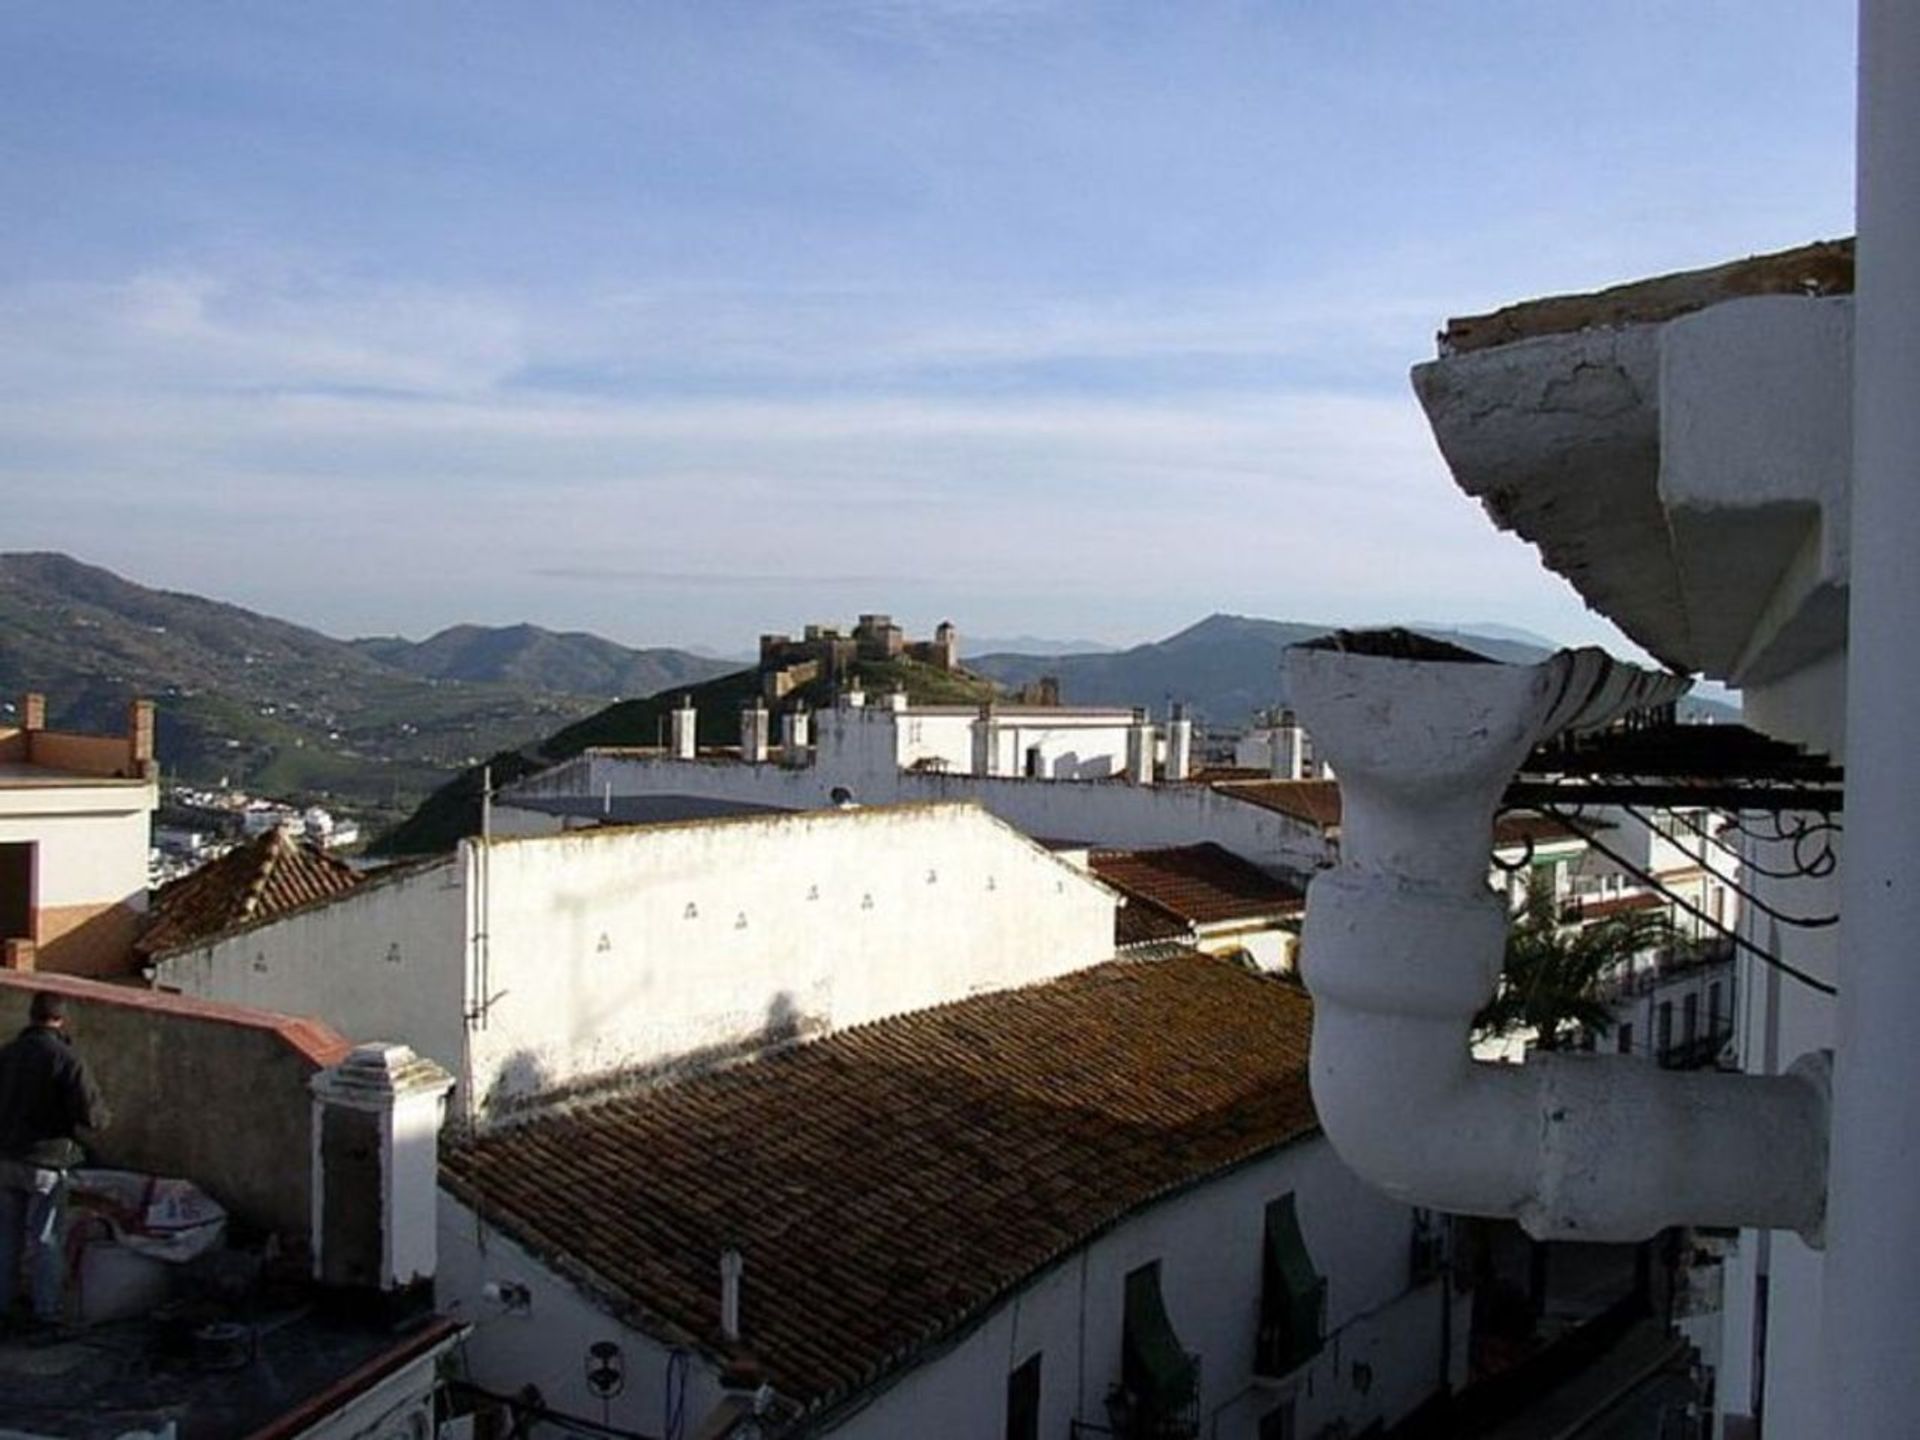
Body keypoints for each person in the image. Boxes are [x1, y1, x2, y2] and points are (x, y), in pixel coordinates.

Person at [0, 991, 107, 1330]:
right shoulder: (66, 1058)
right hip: (46, 1161)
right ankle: (46, 1314)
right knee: (46, 1238)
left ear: (31, 1017)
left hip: (5, 1158)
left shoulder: (7, 1054)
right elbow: (92, 1115)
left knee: (7, 1237)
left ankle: (3, 1306)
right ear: (60, 1019)